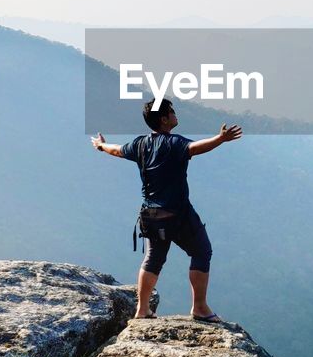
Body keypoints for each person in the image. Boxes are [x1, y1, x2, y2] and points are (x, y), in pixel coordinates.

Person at [91, 98, 242, 322]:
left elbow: (117, 151)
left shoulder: (140, 144)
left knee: (153, 258)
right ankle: (199, 308)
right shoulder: (174, 143)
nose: (175, 114)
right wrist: (220, 139)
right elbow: (196, 148)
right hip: (178, 214)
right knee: (201, 251)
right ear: (164, 119)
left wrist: (101, 146)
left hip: (151, 215)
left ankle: (142, 310)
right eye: (171, 111)